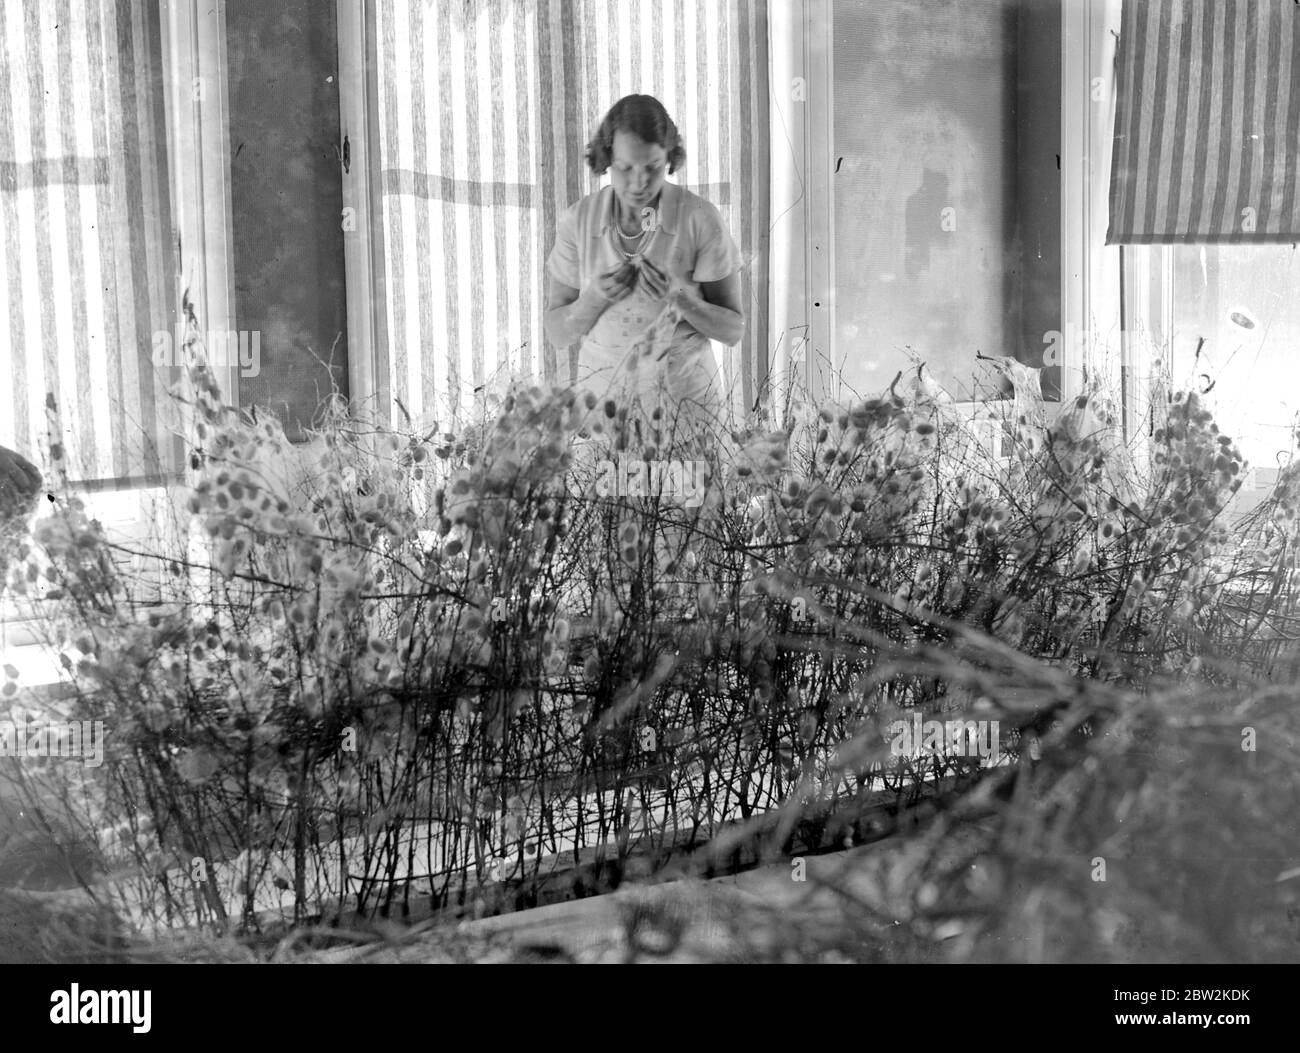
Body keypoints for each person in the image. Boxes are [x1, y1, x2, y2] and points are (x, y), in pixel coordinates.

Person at [543, 94, 745, 450]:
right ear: (606, 160)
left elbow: (733, 330)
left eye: (652, 167)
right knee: (609, 507)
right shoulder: (578, 221)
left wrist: (679, 301)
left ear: (669, 158)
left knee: (684, 506)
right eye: (625, 168)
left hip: (687, 416)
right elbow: (557, 333)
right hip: (602, 419)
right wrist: (593, 299)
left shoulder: (699, 218)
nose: (639, 183)